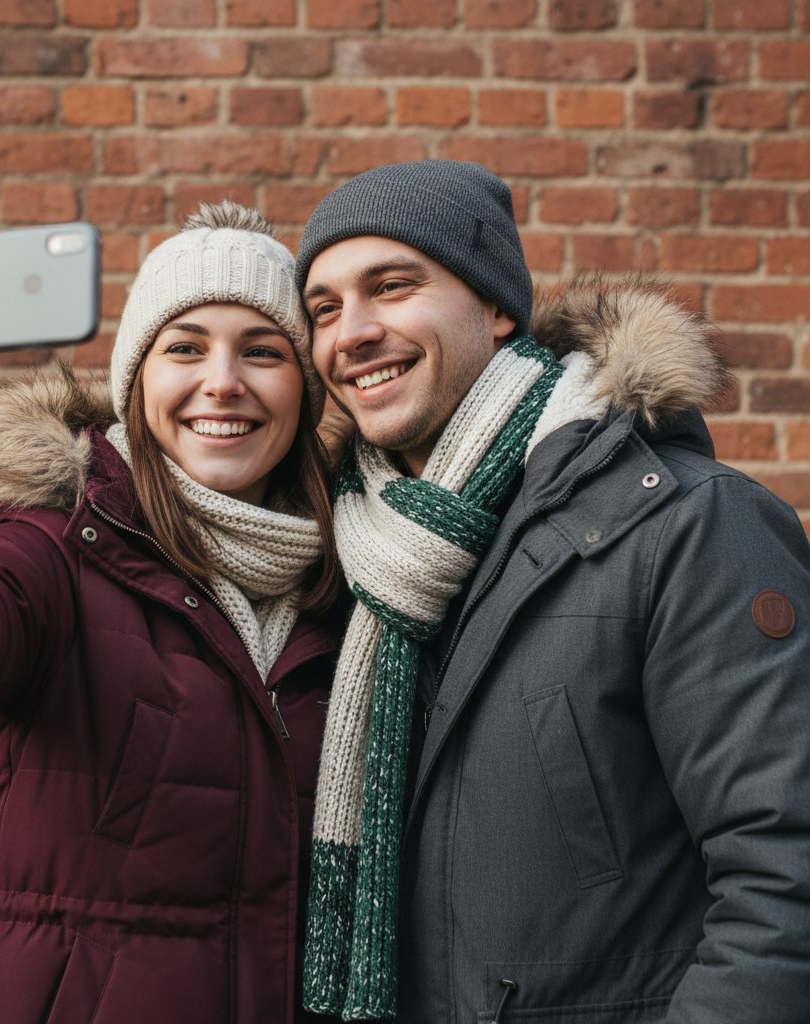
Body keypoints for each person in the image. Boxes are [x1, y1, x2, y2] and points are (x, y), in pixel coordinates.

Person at [0, 202, 346, 1024]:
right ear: (135, 381)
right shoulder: (57, 547)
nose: (223, 380)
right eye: (184, 347)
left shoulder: (352, 588)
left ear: (304, 388)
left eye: (262, 352)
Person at [293, 160, 810, 1022]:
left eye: (391, 286)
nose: (352, 332)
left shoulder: (684, 526)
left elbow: (786, 876)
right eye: (325, 308)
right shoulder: (354, 560)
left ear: (497, 308)